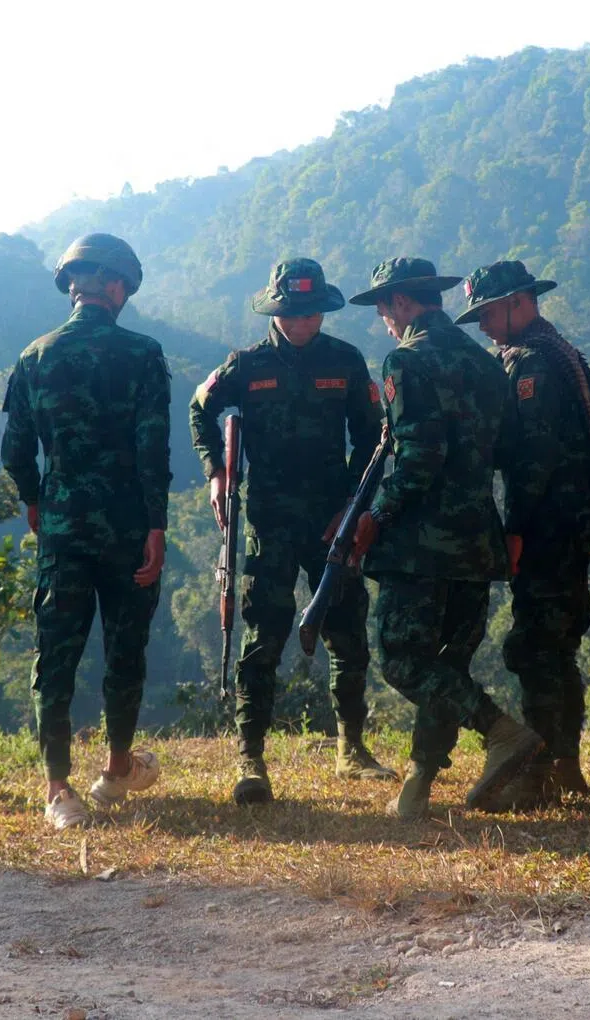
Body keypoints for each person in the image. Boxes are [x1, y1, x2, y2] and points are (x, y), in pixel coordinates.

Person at [189, 258, 396, 805]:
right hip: (269, 523)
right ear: (276, 311)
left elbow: (375, 439)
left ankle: (352, 747)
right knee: (263, 636)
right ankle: (251, 757)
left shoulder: (347, 362)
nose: (304, 321)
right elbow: (199, 408)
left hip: (333, 520)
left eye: (311, 312)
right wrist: (216, 472)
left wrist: (352, 507)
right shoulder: (246, 364)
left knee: (348, 629)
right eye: (293, 312)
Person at [349, 257, 547, 820]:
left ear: (402, 304)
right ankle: (416, 789)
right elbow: (508, 454)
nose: (384, 319)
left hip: (420, 545)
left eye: (385, 308)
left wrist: (376, 518)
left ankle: (501, 731)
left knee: (402, 659)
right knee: (448, 666)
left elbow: (418, 458)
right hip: (476, 540)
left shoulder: (406, 361)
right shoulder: (488, 365)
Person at [1, 233, 170, 829]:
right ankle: (117, 768)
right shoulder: (144, 354)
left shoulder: (34, 357)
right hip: (127, 525)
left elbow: (16, 452)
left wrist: (36, 501)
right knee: (125, 650)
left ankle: (57, 790)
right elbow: (153, 450)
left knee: (57, 654)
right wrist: (156, 525)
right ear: (117, 286)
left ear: (73, 287)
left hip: (63, 526)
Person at [455, 260, 590, 802]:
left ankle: (541, 772)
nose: (483, 325)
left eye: (489, 312)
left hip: (547, 527)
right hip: (574, 522)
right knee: (557, 644)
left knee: (535, 646)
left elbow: (532, 461)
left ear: (520, 302)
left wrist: (515, 530)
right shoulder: (559, 354)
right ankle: (566, 764)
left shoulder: (533, 367)